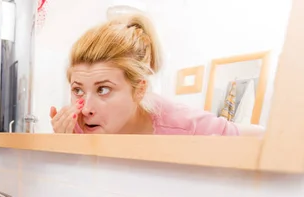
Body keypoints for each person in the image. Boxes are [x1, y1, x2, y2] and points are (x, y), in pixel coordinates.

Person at [50, 14, 265, 137]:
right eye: (78, 90)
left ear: (139, 90)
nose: (86, 109)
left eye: (103, 89)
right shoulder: (76, 126)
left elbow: (258, 136)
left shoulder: (181, 123)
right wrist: (64, 146)